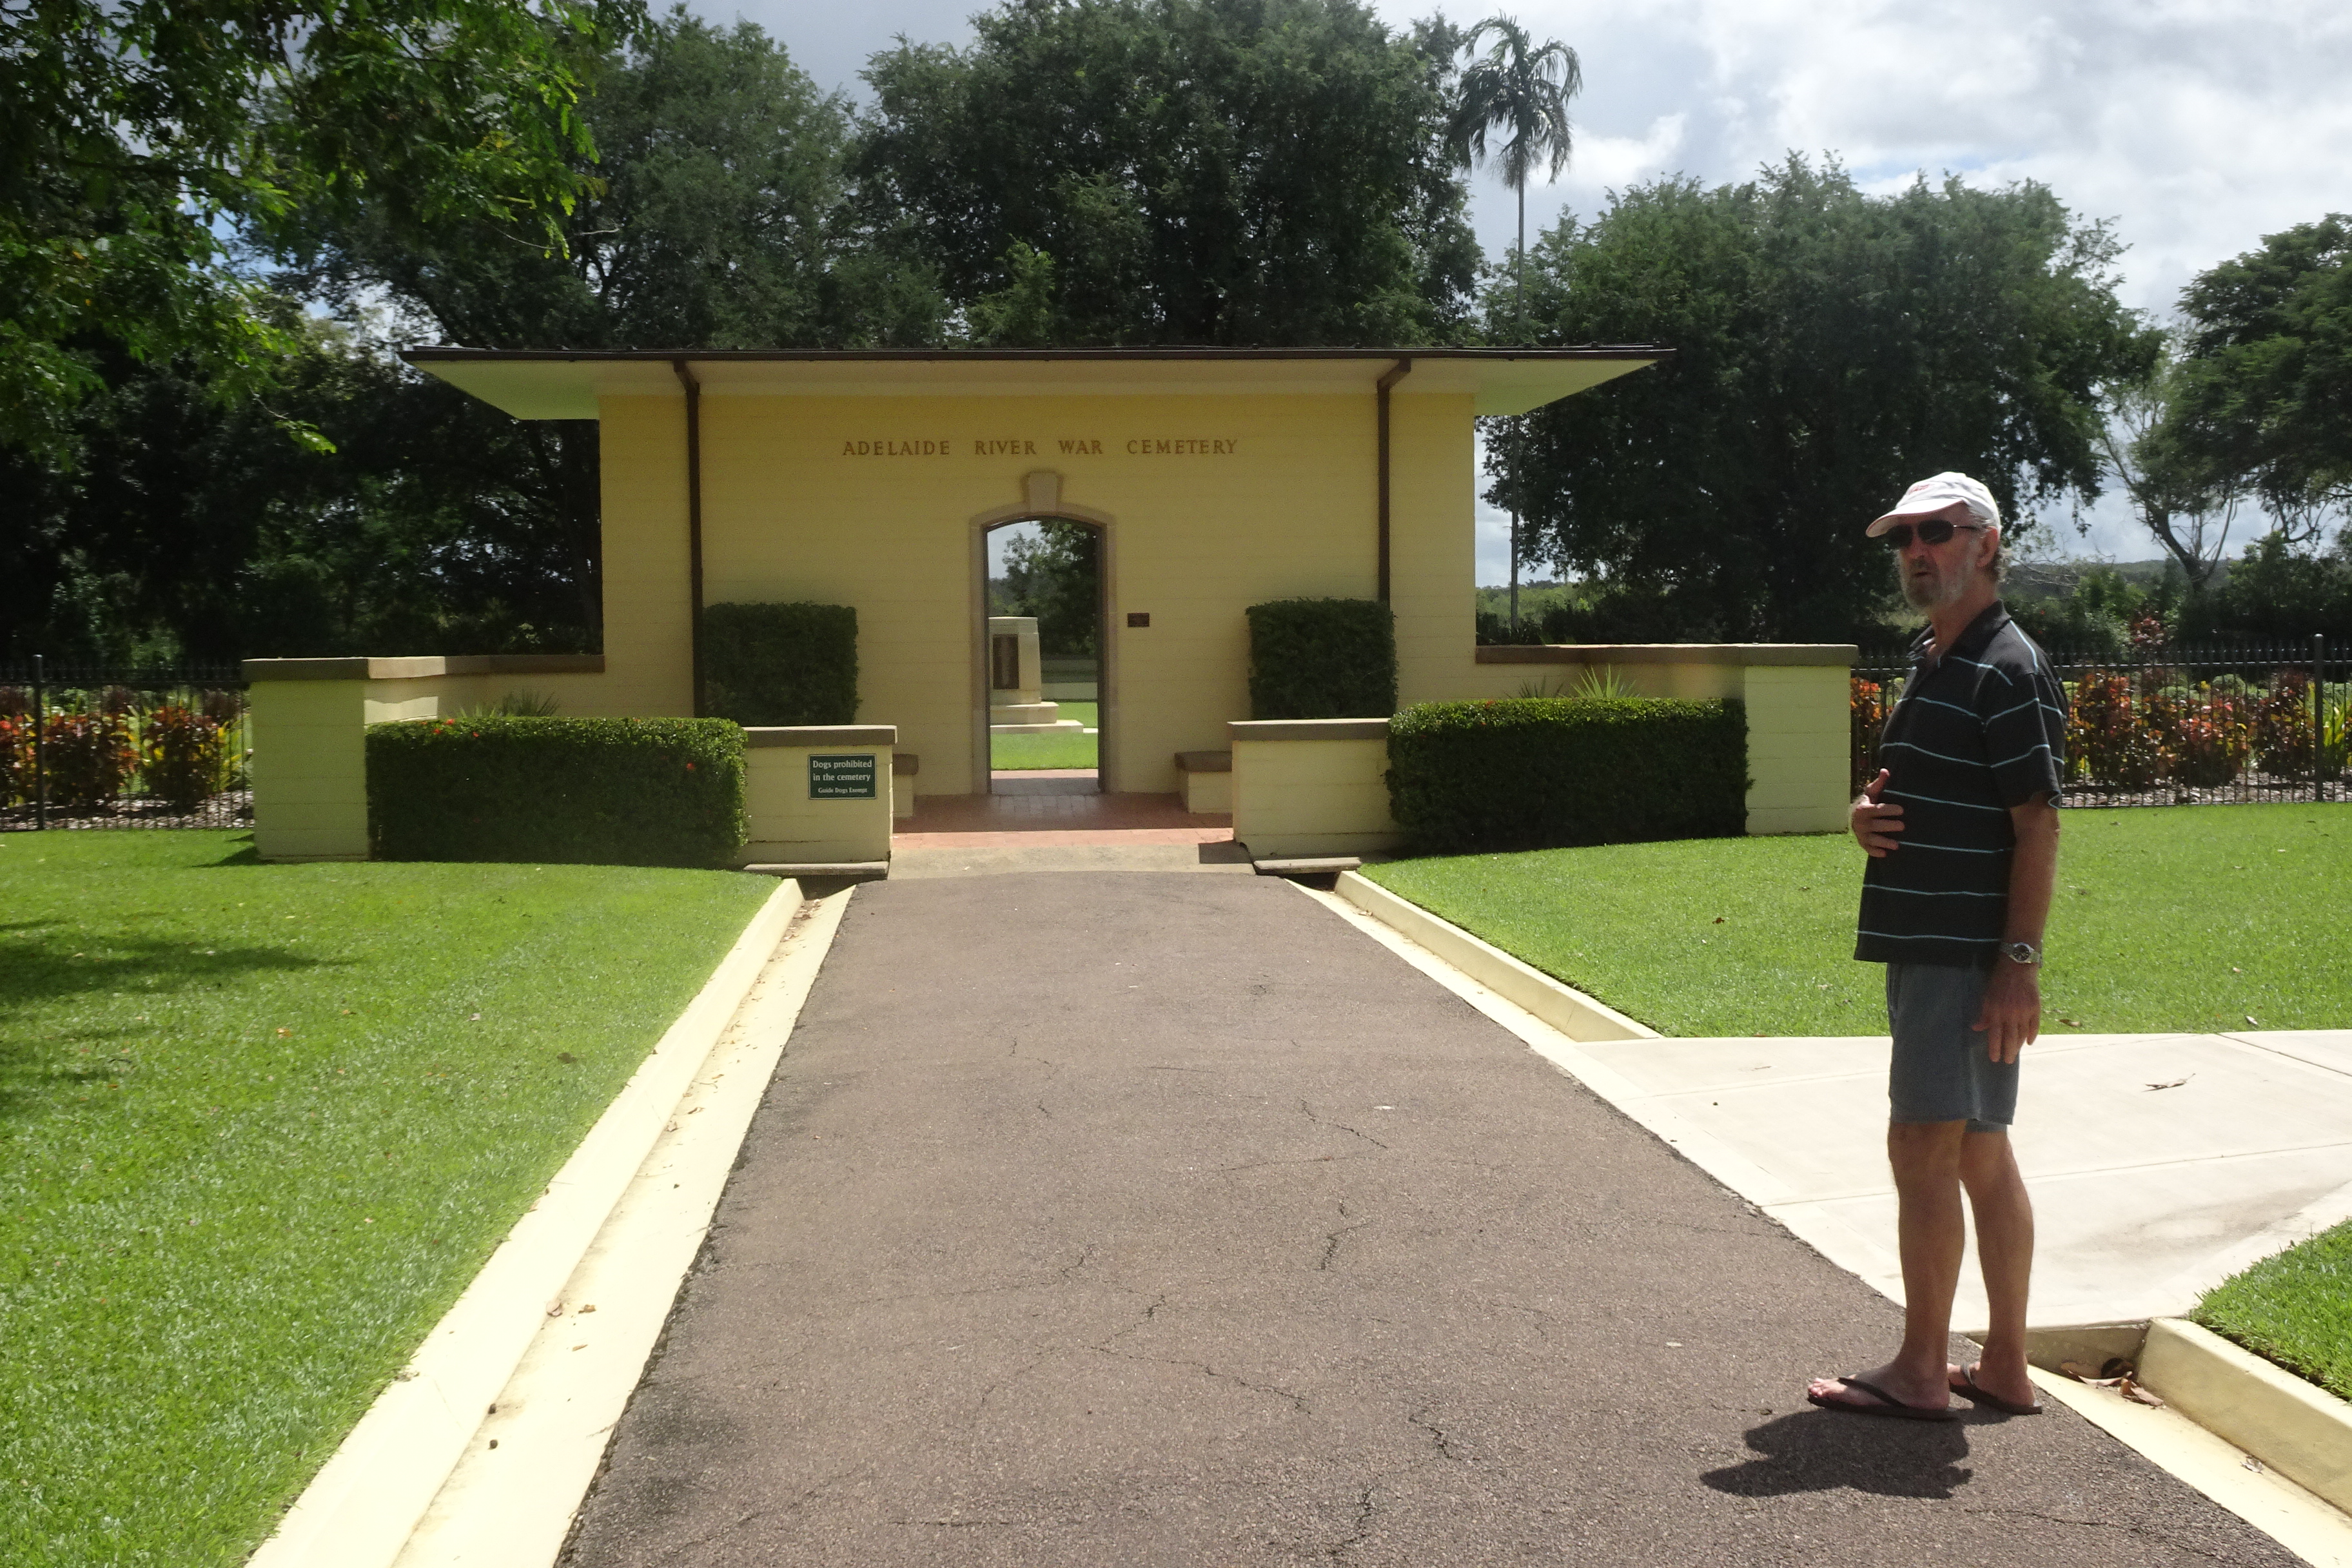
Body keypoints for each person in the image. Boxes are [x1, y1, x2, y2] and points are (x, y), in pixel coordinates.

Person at [1807, 472, 2065, 1422]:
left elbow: (2038, 824)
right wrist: (1863, 815)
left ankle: (1921, 1370)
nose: (1917, 551)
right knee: (1981, 1152)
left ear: (1986, 544)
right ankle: (2004, 1365)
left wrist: (2017, 967)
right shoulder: (1936, 657)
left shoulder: (2007, 668)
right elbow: (1918, 791)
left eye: (1938, 533)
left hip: (1964, 956)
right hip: (1932, 947)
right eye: (1904, 537)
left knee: (1922, 1144)